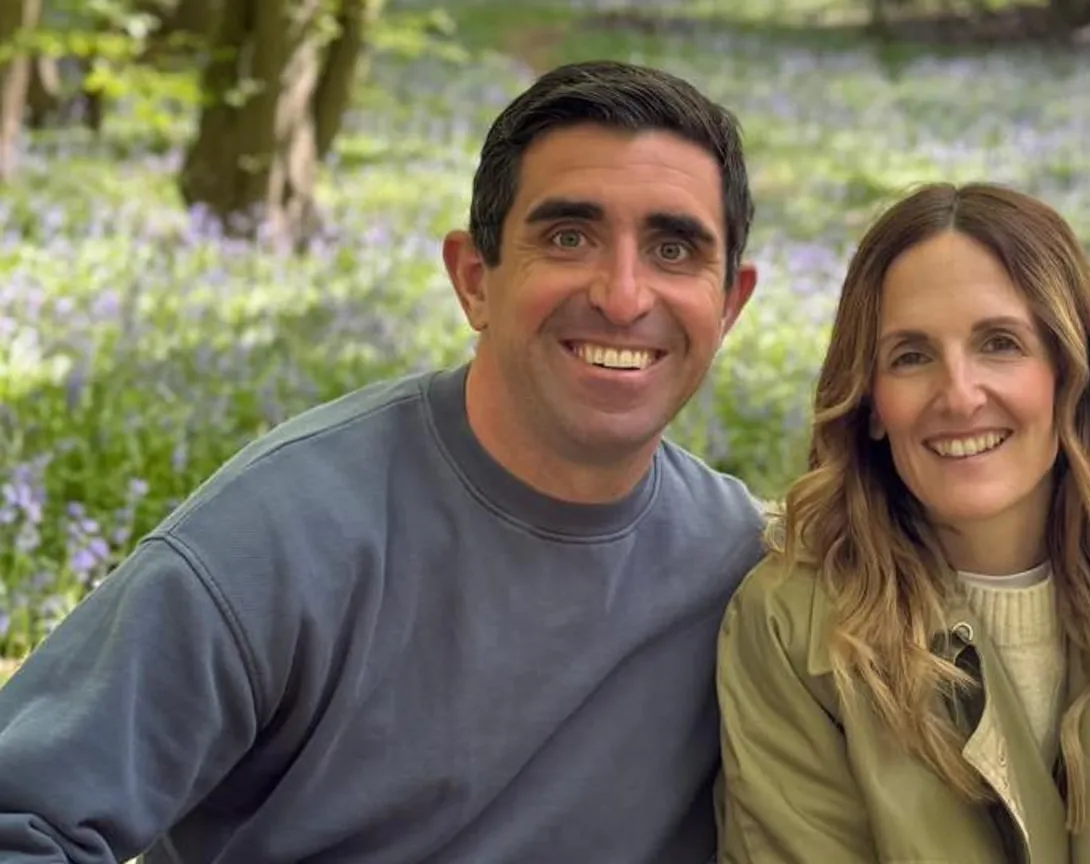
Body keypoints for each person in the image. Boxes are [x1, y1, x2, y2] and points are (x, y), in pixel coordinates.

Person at [0, 60, 766, 864]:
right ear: (475, 280)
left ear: (729, 304)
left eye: (674, 248)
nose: (621, 295)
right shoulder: (284, 539)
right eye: (568, 237)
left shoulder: (747, 575)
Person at [714, 182, 1090, 863]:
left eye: (1000, 343)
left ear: (1069, 374)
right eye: (911, 356)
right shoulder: (796, 631)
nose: (960, 394)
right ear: (872, 400)